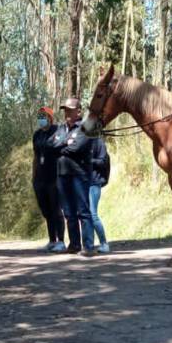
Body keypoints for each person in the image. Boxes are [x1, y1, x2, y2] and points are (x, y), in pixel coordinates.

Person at [51, 98, 96, 256]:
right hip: (62, 175)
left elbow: (76, 148)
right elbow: (51, 146)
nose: (67, 113)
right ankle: (74, 245)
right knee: (69, 212)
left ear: (78, 111)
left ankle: (89, 246)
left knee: (83, 211)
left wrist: (61, 145)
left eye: (70, 110)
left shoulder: (85, 127)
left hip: (79, 174)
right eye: (65, 110)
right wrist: (66, 142)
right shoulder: (61, 128)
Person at [32, 106, 66, 253]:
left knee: (56, 209)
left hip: (54, 176)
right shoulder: (37, 135)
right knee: (46, 210)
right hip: (40, 178)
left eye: (44, 116)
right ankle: (51, 240)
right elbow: (35, 156)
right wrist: (33, 177)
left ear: (50, 118)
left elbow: (61, 150)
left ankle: (61, 241)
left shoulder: (57, 131)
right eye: (39, 116)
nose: (41, 119)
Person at [87, 133, 112, 254]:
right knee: (85, 215)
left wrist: (88, 160)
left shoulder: (99, 143)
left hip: (94, 182)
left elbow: (102, 162)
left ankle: (104, 243)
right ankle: (88, 245)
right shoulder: (81, 143)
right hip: (82, 182)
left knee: (93, 214)